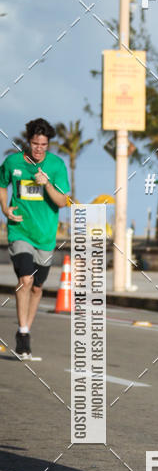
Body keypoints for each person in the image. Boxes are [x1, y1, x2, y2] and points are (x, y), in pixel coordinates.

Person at [0, 118, 70, 360]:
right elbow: (2, 184)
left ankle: (26, 328)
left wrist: (47, 184)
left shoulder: (57, 166)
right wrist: (4, 209)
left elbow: (62, 201)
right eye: (35, 144)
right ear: (28, 142)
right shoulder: (13, 162)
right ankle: (23, 333)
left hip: (45, 236)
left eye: (43, 145)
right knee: (26, 280)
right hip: (20, 231)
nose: (39, 149)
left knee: (38, 288)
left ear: (48, 144)